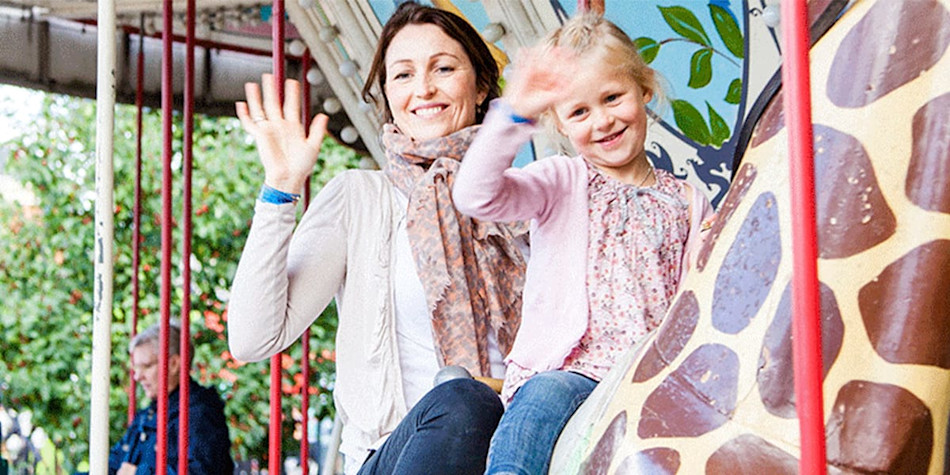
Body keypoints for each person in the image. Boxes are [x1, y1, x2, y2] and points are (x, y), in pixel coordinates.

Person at [227, 2, 527, 474]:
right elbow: (251, 339)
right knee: (463, 400)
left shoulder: (526, 201)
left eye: (443, 68)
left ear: (482, 84)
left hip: (513, 454)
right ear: (387, 94)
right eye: (402, 75)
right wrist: (280, 188)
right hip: (395, 453)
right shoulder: (361, 198)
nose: (423, 88)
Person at [453, 12, 714, 475]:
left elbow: (702, 295)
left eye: (613, 98)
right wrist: (517, 112)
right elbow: (475, 194)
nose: (603, 121)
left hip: (651, 374)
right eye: (579, 111)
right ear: (559, 122)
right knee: (533, 418)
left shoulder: (689, 202)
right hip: (573, 370)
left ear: (645, 90)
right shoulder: (560, 181)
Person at [108, 321, 233, 475]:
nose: (137, 376)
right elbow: (111, 465)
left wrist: (139, 473)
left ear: (174, 364)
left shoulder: (200, 415)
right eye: (136, 368)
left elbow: (200, 472)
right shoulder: (148, 415)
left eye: (146, 366)